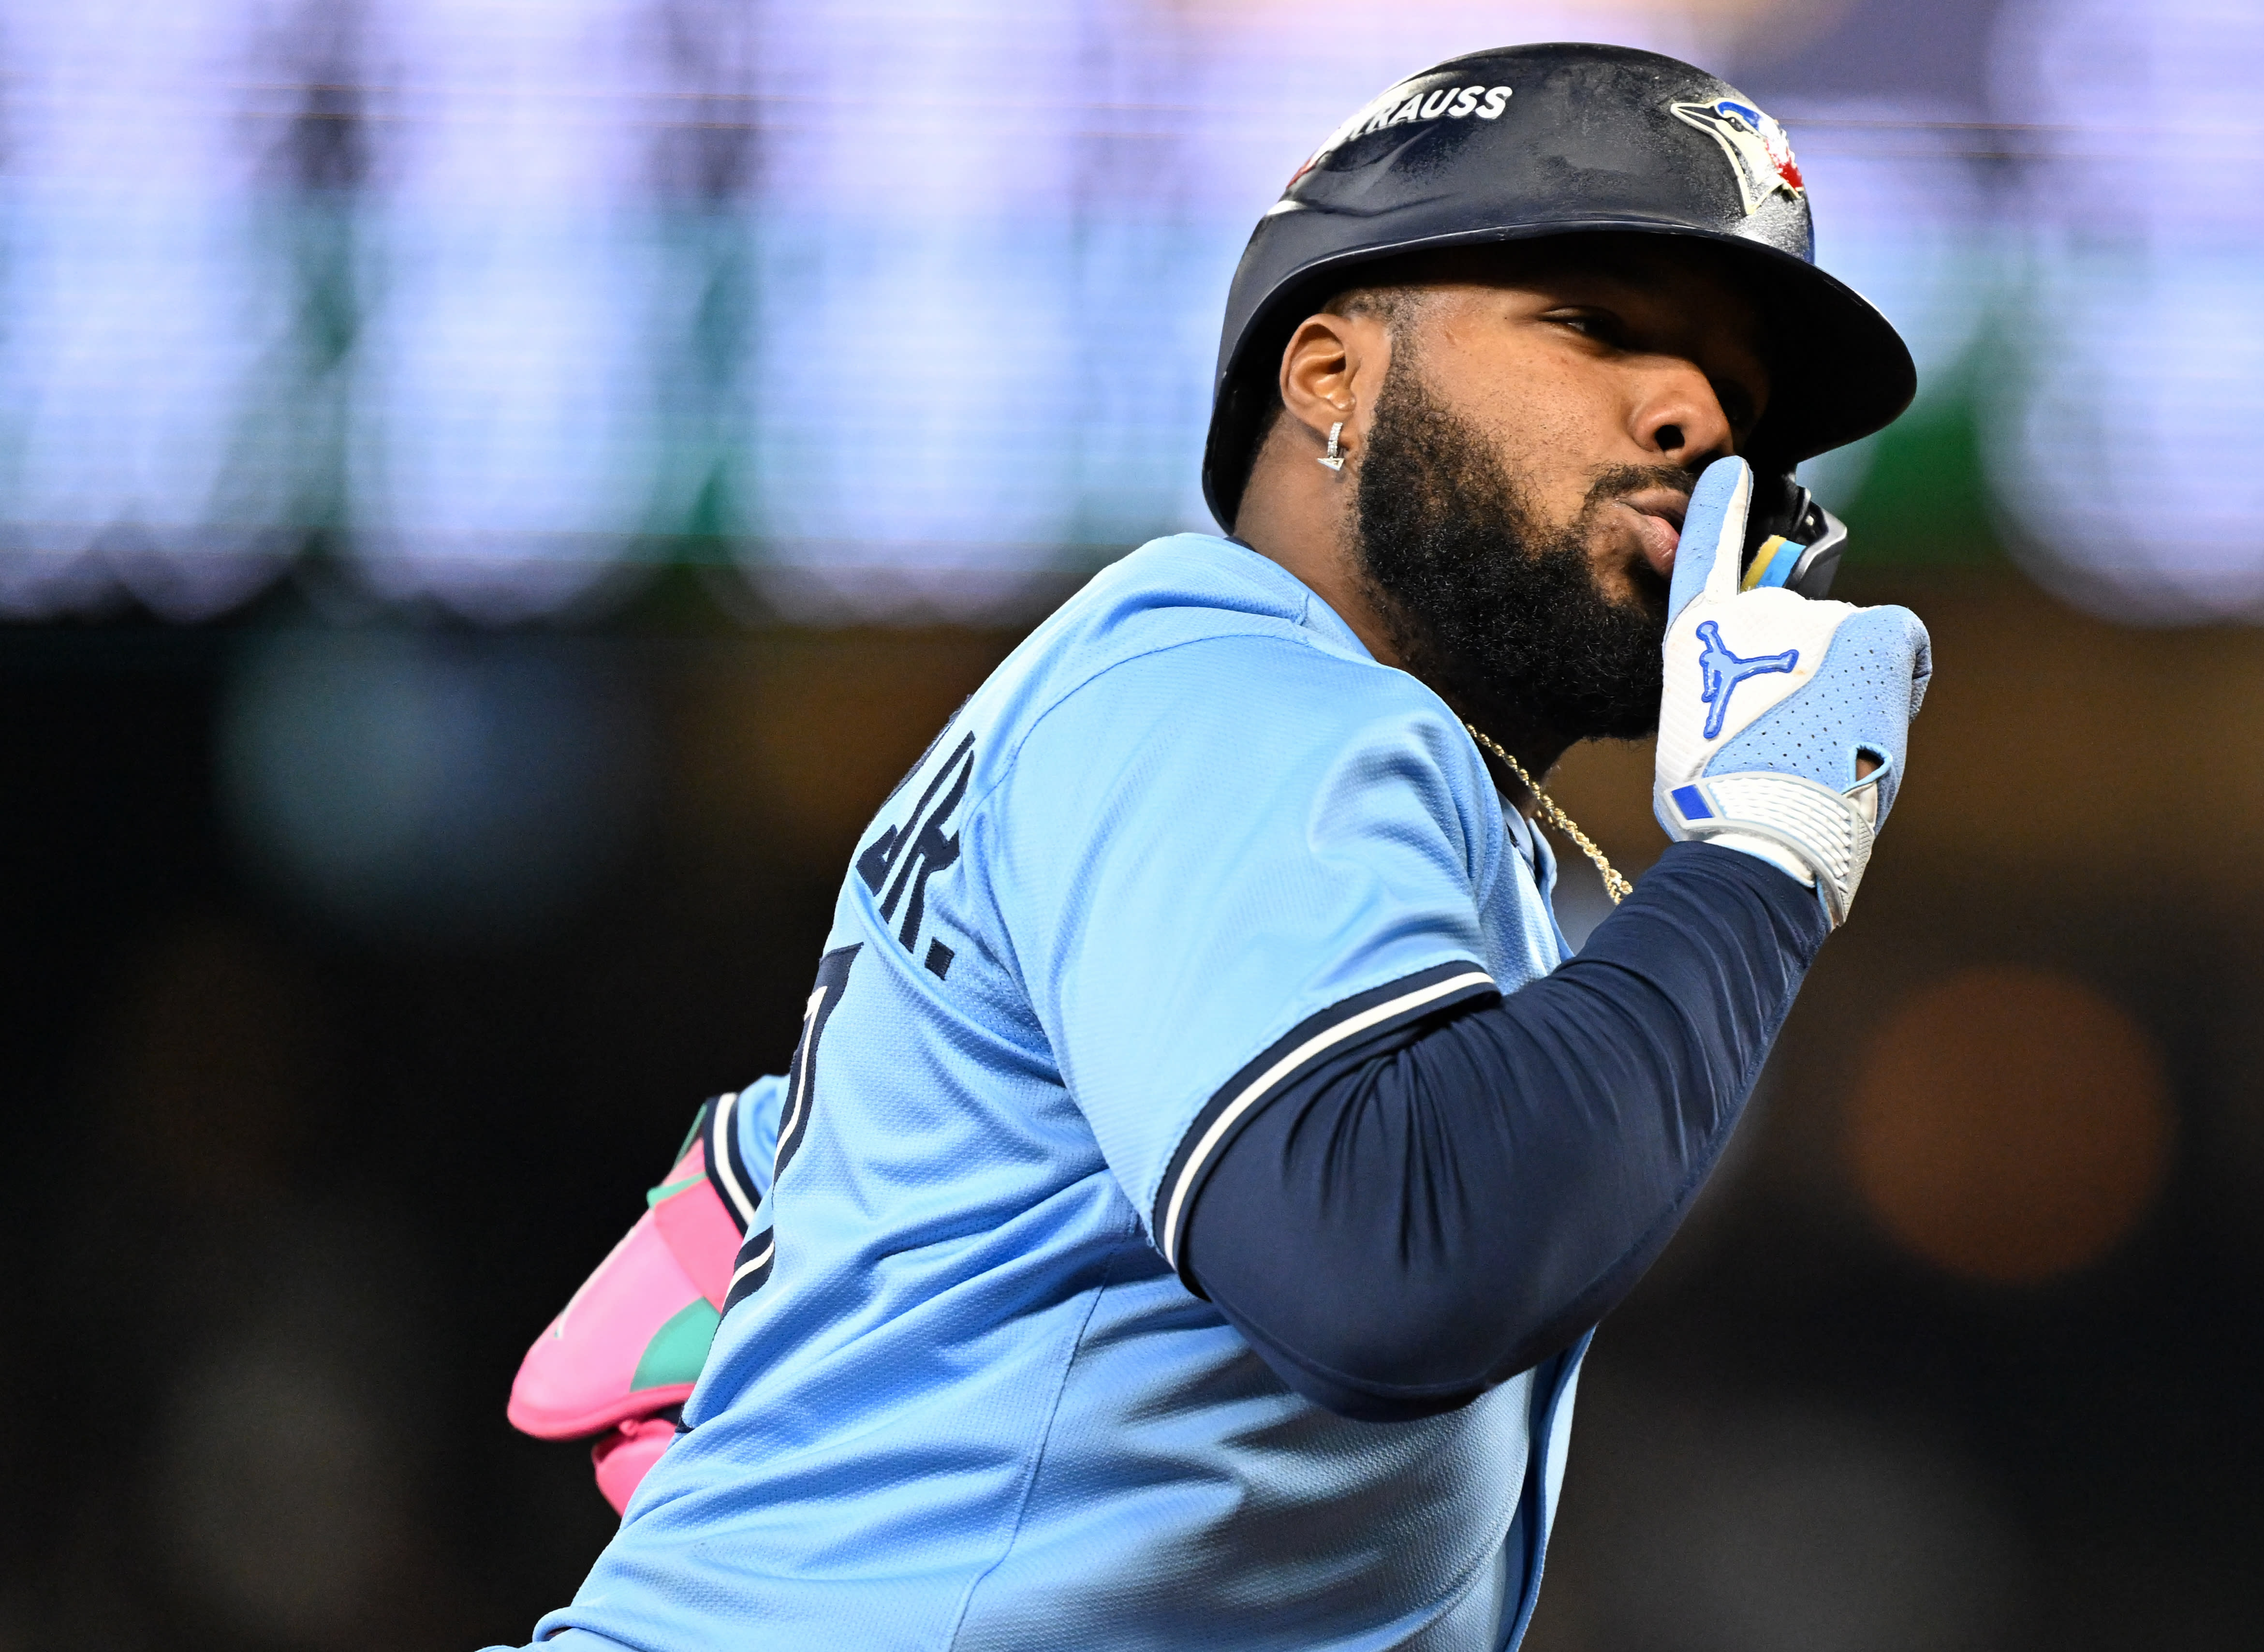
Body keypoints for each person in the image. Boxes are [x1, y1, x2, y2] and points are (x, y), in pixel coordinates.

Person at [496, 41, 1930, 1652]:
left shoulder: (1328, 769)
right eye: (1596, 323)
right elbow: (1399, 1257)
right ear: (1330, 374)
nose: (1697, 417)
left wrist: (846, 1209)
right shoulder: (1238, 682)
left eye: (1738, 399)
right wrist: (1772, 850)